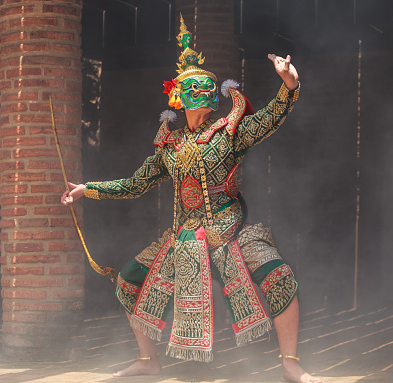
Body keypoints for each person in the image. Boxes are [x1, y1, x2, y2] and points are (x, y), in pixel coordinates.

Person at [62, 15, 322, 383]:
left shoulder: (228, 132)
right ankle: (148, 359)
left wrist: (289, 85)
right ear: (179, 97)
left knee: (280, 277)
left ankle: (290, 364)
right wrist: (86, 188)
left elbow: (267, 119)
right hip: (183, 239)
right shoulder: (169, 144)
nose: (203, 100)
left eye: (207, 92)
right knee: (128, 283)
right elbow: (135, 183)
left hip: (231, 233)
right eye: (194, 92)